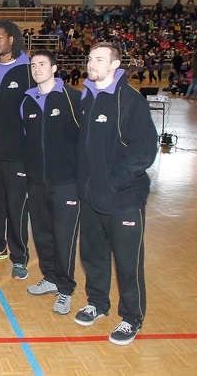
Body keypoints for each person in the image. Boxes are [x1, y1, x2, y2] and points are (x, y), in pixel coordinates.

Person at [74, 42, 157, 346]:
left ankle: (131, 317)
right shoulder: (88, 97)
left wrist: (115, 182)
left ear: (114, 65)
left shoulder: (130, 100)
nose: (91, 63)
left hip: (123, 200)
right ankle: (97, 302)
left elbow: (145, 150)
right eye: (90, 58)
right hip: (91, 197)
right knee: (93, 256)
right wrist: (84, 184)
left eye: (99, 59)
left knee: (127, 262)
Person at [20, 50, 82, 315]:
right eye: (33, 65)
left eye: (42, 64)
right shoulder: (28, 102)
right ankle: (51, 278)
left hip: (65, 182)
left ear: (55, 68)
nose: (37, 69)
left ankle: (66, 289)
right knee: (43, 233)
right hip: (36, 181)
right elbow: (27, 140)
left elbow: (84, 139)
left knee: (64, 237)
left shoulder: (72, 98)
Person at [0, 20, 35, 280]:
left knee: (16, 207)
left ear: (12, 39)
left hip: (18, 154)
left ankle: (19, 256)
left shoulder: (27, 71)